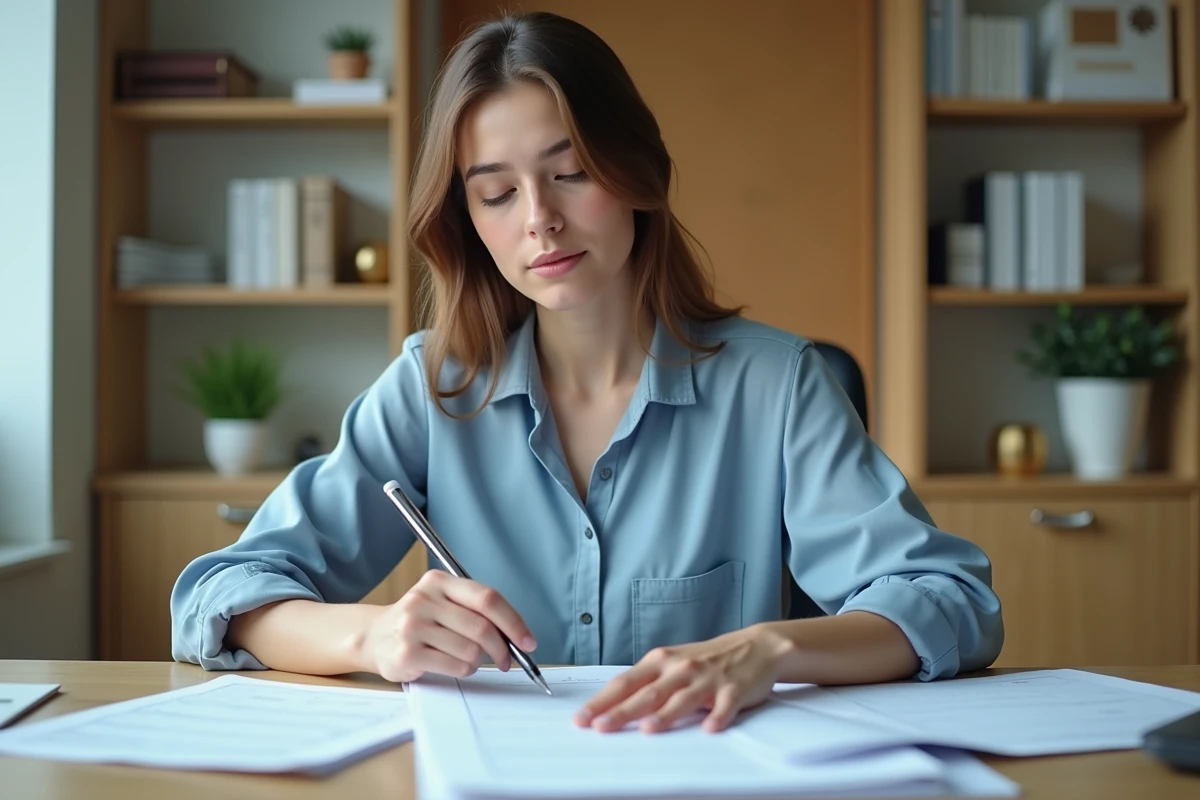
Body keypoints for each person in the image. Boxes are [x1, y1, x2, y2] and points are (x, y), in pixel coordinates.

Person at [170, 10, 1003, 735]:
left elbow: (951, 600)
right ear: (469, 223)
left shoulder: (778, 386)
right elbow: (219, 594)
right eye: (497, 194)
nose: (541, 221)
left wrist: (768, 648)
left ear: (637, 172)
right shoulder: (435, 388)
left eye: (570, 174)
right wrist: (372, 636)